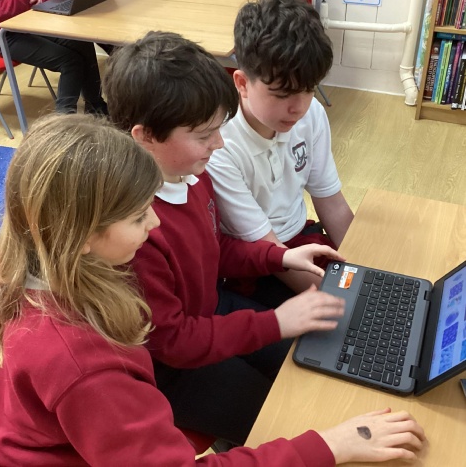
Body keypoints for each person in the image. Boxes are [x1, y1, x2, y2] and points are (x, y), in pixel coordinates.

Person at [0, 114, 426, 466]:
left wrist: (275, 259)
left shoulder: (36, 265)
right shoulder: (86, 365)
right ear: (80, 235)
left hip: (103, 431)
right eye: (137, 217)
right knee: (293, 418)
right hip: (110, 426)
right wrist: (330, 445)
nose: (155, 222)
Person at [103, 31, 351, 447]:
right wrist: (274, 322)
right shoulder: (134, 230)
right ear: (144, 136)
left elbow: (213, 250)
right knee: (280, 419)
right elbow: (173, 342)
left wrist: (277, 258)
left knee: (311, 359)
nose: (218, 144)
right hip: (175, 367)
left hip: (210, 309)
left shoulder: (191, 175)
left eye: (218, 129)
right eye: (204, 135)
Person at [206, 0, 354, 298]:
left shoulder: (311, 114)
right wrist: (341, 300)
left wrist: (366, 270)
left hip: (300, 238)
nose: (298, 107)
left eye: (309, 89)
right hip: (256, 259)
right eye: (282, 93)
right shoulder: (220, 143)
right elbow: (264, 246)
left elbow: (331, 201)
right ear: (242, 84)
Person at [0, 0, 107, 115]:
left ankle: (96, 108)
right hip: (6, 35)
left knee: (81, 41)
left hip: (29, 22)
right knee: (70, 61)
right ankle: (63, 123)